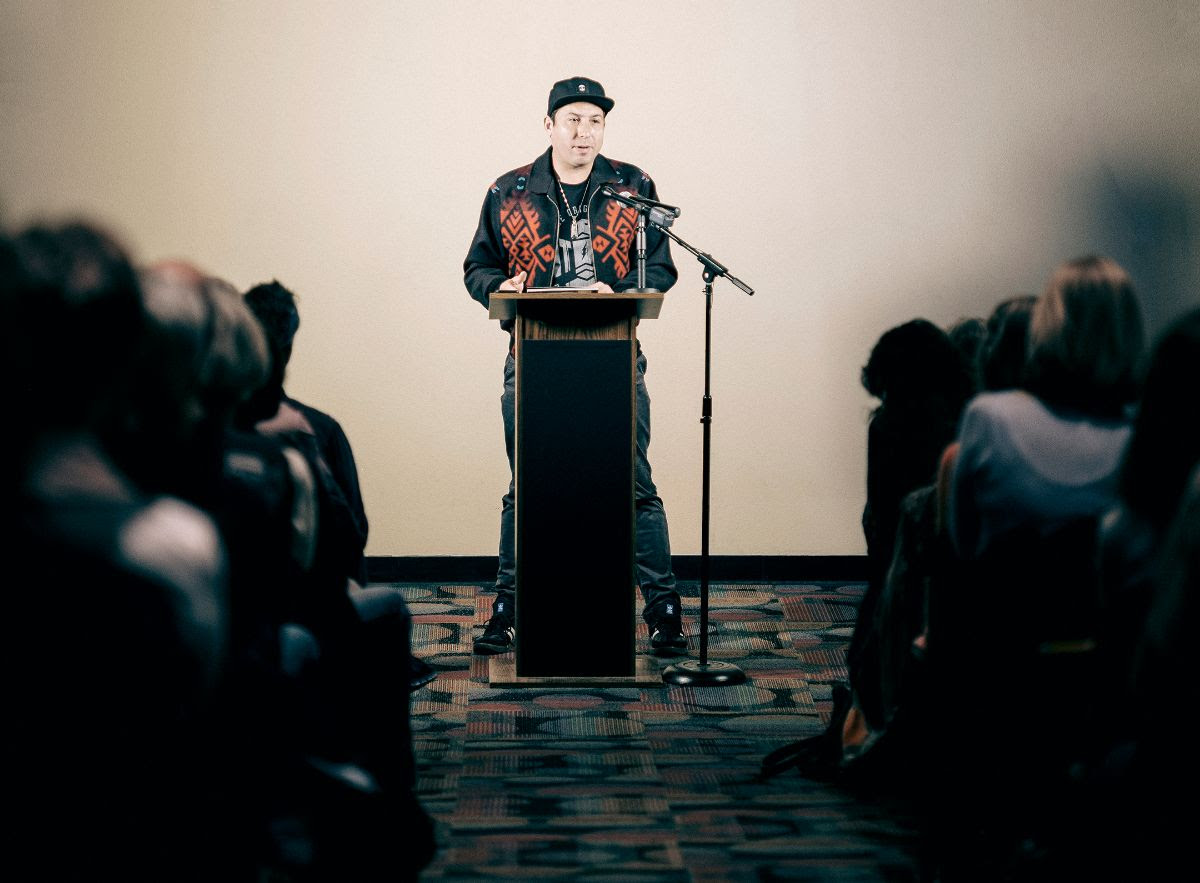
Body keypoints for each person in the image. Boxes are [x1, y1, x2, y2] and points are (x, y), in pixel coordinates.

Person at [463, 76, 683, 656]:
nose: (585, 133)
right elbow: (476, 268)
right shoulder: (507, 190)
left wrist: (624, 288)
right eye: (574, 120)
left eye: (595, 122)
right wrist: (500, 284)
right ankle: (509, 606)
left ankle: (662, 608)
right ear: (549, 126)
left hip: (614, 357)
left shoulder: (633, 186)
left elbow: (660, 268)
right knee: (526, 485)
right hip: (531, 357)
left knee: (634, 484)